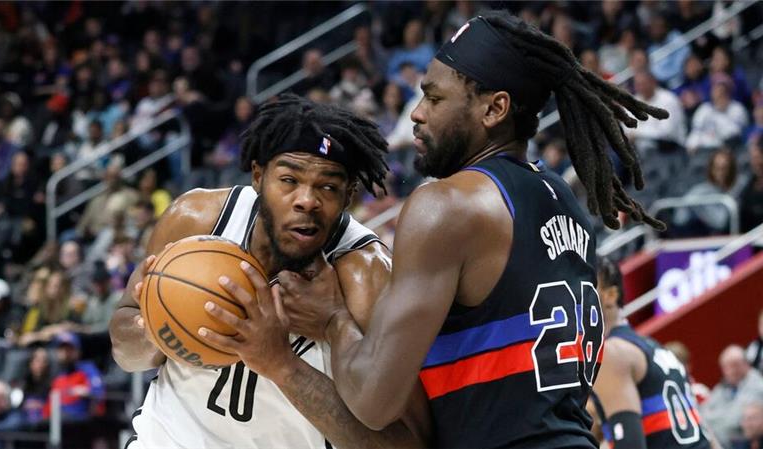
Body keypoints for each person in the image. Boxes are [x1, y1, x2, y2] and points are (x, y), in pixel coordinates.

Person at [227, 11, 669, 449]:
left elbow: (373, 402)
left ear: (494, 109)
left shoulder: (447, 205)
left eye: (435, 99)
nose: (417, 114)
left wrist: (333, 321)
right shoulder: (567, 202)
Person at [109, 95, 430, 449]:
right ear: (258, 176)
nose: (307, 200)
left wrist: (281, 364)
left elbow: (408, 443)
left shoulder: (365, 277)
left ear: (349, 195)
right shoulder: (198, 219)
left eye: (327, 186)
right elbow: (125, 352)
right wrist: (160, 327)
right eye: (289, 180)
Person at [590, 257, 714, 449]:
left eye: (585, 286)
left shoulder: (611, 353)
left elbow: (629, 445)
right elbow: (705, 433)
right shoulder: (655, 347)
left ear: (610, 295)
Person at [702, 345, 763, 448]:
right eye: (726, 367)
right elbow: (703, 415)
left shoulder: (758, 385)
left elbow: (734, 421)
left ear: (746, 364)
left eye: (735, 365)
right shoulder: (723, 386)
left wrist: (714, 419)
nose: (731, 371)